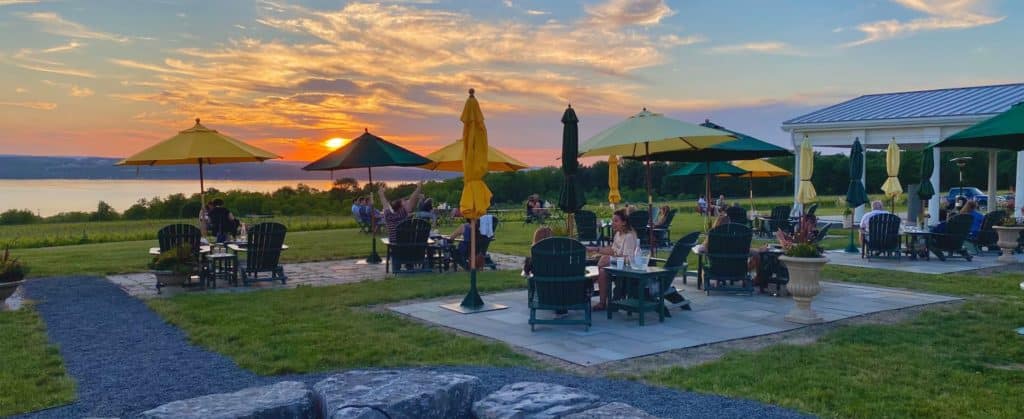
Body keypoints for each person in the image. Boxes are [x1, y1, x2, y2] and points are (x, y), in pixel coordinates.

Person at [587, 209, 638, 311]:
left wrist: (610, 259)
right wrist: (596, 250)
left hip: (628, 268)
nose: (613, 223)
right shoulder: (618, 234)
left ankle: (600, 302)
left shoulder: (629, 236)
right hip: (618, 265)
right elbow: (612, 250)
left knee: (601, 270)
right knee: (597, 271)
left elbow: (628, 259)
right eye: (612, 221)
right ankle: (590, 297)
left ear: (624, 222)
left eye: (616, 221)